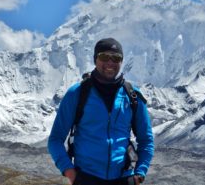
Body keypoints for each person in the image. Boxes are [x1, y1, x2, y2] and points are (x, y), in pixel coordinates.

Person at [48, 38, 154, 185]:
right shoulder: (78, 93)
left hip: (123, 178)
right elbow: (55, 139)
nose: (110, 62)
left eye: (116, 58)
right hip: (86, 178)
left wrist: (140, 172)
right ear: (95, 59)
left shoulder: (132, 96)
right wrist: (69, 171)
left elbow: (146, 139)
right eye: (104, 56)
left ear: (122, 61)